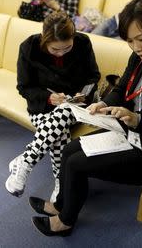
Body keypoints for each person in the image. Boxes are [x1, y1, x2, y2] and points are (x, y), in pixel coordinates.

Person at [29, 0, 142, 237]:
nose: (137, 48)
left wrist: (137, 120)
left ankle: (65, 220)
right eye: (129, 41)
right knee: (69, 149)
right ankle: (61, 203)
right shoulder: (139, 59)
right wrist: (104, 103)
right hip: (129, 131)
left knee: (76, 163)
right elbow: (121, 89)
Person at [5, 11, 100, 202]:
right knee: (60, 132)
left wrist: (84, 93)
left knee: (66, 110)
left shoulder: (83, 42)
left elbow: (93, 76)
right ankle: (60, 181)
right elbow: (24, 87)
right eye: (55, 49)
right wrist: (49, 98)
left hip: (76, 106)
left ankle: (25, 161)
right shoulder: (29, 47)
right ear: (44, 40)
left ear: (73, 38)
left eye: (67, 48)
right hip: (42, 107)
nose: (62, 53)